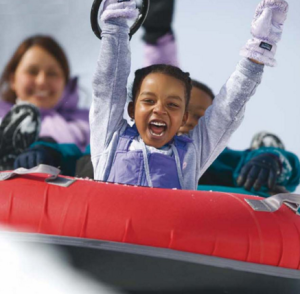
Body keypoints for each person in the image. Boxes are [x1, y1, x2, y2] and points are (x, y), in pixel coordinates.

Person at [88, 0, 288, 190]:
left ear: (183, 118)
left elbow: (226, 111)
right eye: (149, 101)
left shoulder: (190, 155)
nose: (159, 109)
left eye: (172, 105)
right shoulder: (110, 140)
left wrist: (259, 51)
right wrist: (116, 24)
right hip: (111, 223)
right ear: (132, 109)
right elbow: (108, 87)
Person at [179, 80, 300, 196]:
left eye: (200, 117)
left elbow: (243, 160)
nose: (189, 121)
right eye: (180, 111)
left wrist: (271, 159)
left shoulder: (219, 160)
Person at [0, 35, 89, 172]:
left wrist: (52, 152)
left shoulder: (86, 125)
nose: (41, 81)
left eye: (52, 74)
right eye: (32, 71)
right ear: (13, 79)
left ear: (65, 82)